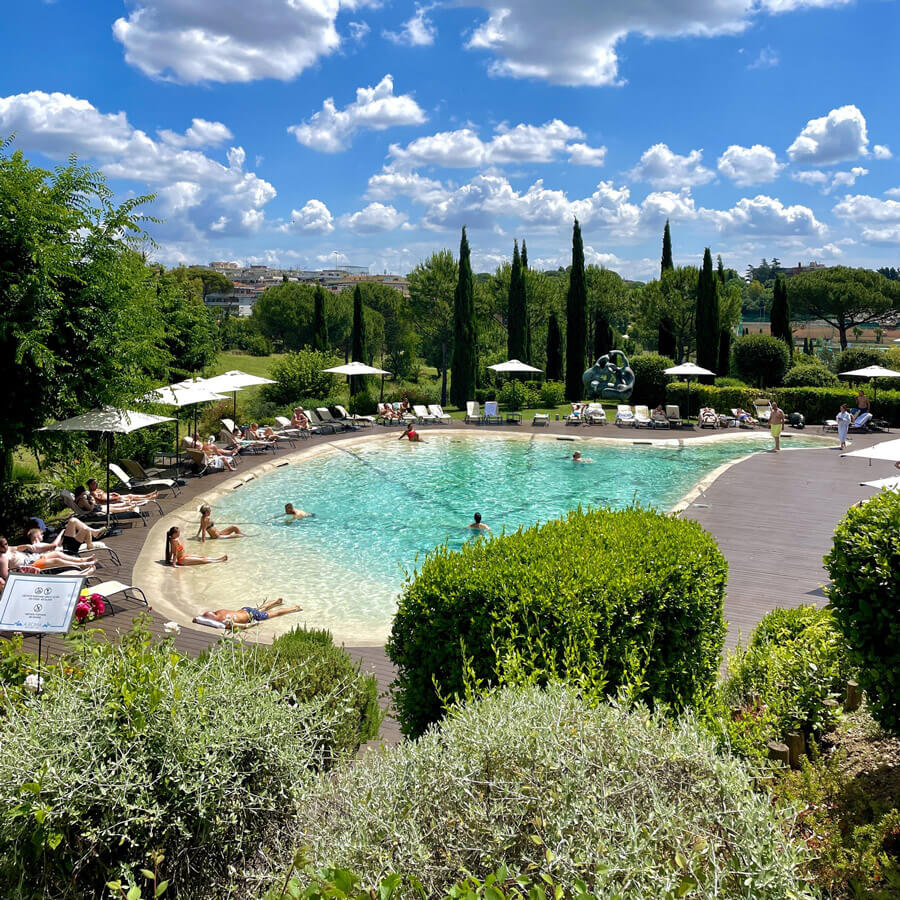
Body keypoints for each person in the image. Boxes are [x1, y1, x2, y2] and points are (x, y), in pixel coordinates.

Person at [193, 597, 301, 629]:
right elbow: (197, 618)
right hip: (244, 609)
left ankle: (294, 609)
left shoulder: (224, 622)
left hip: (251, 615)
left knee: (275, 613)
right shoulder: (219, 613)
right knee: (261, 608)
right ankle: (276, 601)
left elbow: (243, 626)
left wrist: (253, 624)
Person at [74, 485, 143, 515]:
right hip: (94, 511)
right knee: (112, 509)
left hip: (97, 507)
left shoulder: (78, 499)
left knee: (110, 506)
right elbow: (90, 509)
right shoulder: (82, 500)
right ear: (81, 492)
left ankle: (125, 504)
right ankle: (129, 507)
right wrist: (92, 502)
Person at [87, 478, 157, 504]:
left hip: (112, 498)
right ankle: (148, 498)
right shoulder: (93, 493)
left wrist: (112, 493)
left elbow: (105, 494)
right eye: (95, 483)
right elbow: (102, 499)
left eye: (96, 483)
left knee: (130, 495)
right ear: (90, 485)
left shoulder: (97, 490)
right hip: (110, 502)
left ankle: (147, 496)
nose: (97, 484)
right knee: (129, 498)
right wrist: (114, 498)